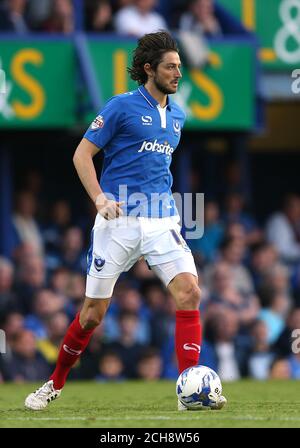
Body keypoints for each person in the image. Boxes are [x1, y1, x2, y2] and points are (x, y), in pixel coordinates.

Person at [24, 31, 226, 411]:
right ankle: (54, 383)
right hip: (118, 223)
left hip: (162, 219)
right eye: (171, 67)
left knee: (190, 292)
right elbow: (82, 155)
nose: (178, 73)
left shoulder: (179, 115)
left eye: (180, 67)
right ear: (149, 69)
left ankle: (188, 391)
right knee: (92, 315)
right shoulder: (121, 106)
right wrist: (100, 198)